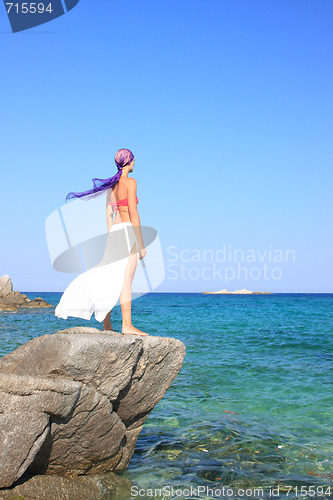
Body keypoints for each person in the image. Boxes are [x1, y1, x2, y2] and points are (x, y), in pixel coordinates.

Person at [55, 148, 149, 336]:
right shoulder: (130, 183)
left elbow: (108, 214)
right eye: (133, 160)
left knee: (107, 277)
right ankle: (127, 325)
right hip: (128, 232)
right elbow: (133, 213)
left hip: (114, 233)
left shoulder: (111, 187)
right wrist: (141, 243)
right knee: (126, 280)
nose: (134, 163)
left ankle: (107, 325)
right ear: (129, 161)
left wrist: (111, 235)